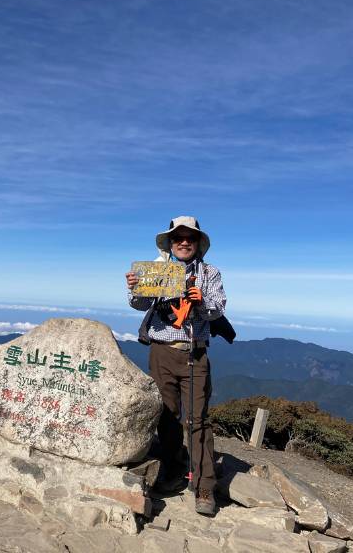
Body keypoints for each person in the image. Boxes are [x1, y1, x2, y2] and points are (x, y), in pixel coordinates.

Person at [125, 216, 227, 516]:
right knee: (167, 416)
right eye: (178, 238)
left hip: (195, 352)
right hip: (161, 351)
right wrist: (135, 288)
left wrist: (202, 301)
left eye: (190, 238)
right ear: (170, 243)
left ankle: (204, 484)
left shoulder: (210, 273)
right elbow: (141, 304)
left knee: (198, 419)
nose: (184, 242)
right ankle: (172, 470)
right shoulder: (160, 271)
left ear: (198, 244)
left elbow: (218, 307)